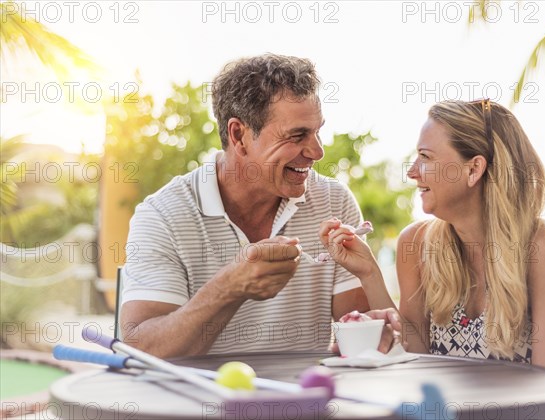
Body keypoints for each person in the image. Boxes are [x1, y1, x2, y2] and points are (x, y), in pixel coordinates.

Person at [320, 99, 545, 417]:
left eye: (425, 157)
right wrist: (369, 273)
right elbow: (417, 357)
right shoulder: (417, 244)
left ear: (474, 168)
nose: (412, 172)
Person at [119, 54, 394, 358]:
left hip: (305, 401)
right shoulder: (162, 216)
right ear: (240, 135)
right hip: (197, 403)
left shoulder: (333, 201)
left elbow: (362, 340)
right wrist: (230, 286)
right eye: (297, 135)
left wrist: (368, 325)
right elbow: (140, 350)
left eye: (317, 131)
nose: (317, 151)